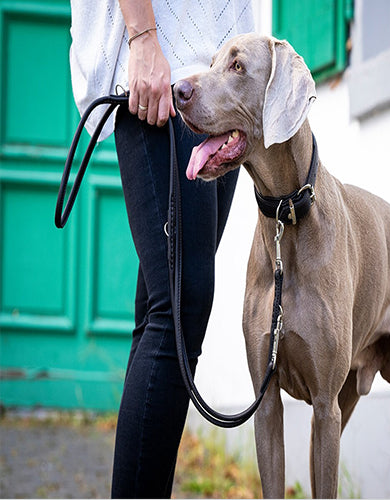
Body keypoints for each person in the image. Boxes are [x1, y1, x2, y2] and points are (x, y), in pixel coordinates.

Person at [69, 1, 255, 497]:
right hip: (168, 68)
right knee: (178, 311)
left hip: (220, 84)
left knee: (165, 312)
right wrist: (143, 38)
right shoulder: (153, 50)